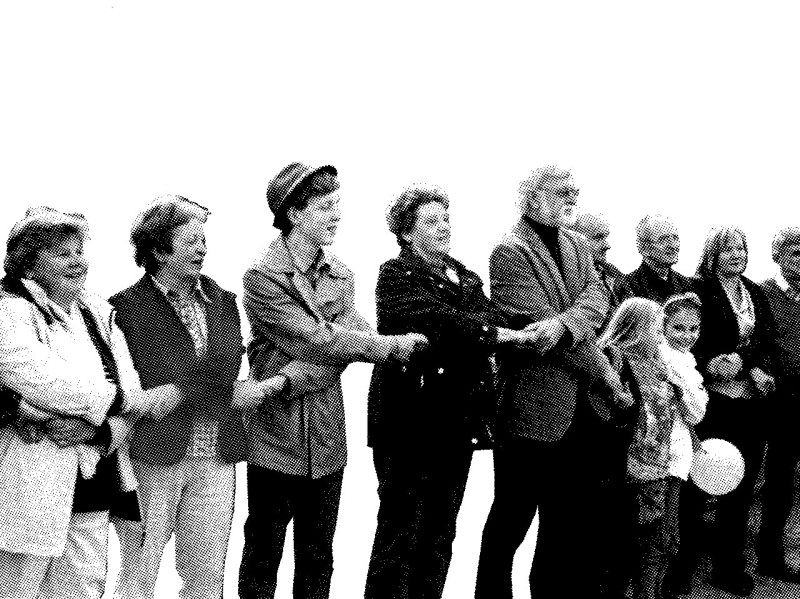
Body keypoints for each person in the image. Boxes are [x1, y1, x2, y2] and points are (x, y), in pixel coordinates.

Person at [239, 162, 427, 599]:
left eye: (337, 205)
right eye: (325, 207)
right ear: (294, 213)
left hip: (326, 440)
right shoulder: (261, 276)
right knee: (264, 554)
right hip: (274, 439)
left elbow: (352, 338)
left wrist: (289, 377)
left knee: (318, 556)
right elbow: (320, 341)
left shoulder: (340, 273)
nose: (336, 216)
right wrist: (390, 347)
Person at [364, 185, 536, 599]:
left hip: (458, 421)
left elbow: (485, 318)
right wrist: (492, 333)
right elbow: (441, 322)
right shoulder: (395, 274)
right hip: (409, 421)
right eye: (431, 221)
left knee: (440, 531)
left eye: (445, 219)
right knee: (400, 531)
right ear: (407, 232)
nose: (443, 227)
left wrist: (490, 329)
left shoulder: (466, 276)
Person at [110, 196, 284, 599]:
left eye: (203, 240)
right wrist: (219, 388)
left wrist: (187, 387)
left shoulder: (223, 300)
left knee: (206, 577)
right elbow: (152, 376)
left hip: (217, 453)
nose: (202, 250)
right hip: (153, 454)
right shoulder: (123, 308)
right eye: (191, 241)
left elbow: (221, 368)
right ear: (159, 250)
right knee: (139, 572)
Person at [0, 207, 177, 599]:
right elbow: (40, 378)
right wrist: (122, 401)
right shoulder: (8, 308)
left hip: (93, 475)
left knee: (82, 588)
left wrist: (101, 428)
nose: (77, 262)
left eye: (80, 252)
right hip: (32, 474)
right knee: (17, 588)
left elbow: (129, 383)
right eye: (63, 254)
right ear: (29, 262)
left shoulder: (97, 311)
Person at [474, 165, 628, 599]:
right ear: (533, 196)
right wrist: (602, 369)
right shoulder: (509, 249)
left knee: (564, 523)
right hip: (533, 410)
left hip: (579, 412)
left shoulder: (577, 243)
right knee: (511, 520)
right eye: (563, 192)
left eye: (574, 192)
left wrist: (562, 323)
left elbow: (597, 302)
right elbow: (537, 334)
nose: (572, 199)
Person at [669, 226, 777, 597]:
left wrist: (747, 363)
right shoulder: (698, 291)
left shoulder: (755, 292)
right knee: (698, 487)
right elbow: (684, 338)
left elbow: (767, 337)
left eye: (741, 248)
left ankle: (728, 567)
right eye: (728, 248)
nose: (736, 255)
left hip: (751, 404)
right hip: (713, 404)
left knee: (741, 486)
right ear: (712, 253)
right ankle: (681, 566)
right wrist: (710, 361)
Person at [600, 295, 708, 599]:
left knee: (657, 541)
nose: (662, 339)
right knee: (625, 547)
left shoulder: (661, 367)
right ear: (634, 330)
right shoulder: (615, 361)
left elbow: (691, 412)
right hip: (628, 470)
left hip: (657, 468)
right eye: (657, 330)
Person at [755, 226, 800, 583]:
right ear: (778, 256)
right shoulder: (761, 294)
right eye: (797, 252)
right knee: (777, 483)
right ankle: (767, 556)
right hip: (776, 403)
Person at [616, 215, 694, 303]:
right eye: (663, 240)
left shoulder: (685, 284)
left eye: (675, 238)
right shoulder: (627, 286)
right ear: (644, 248)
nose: (673, 246)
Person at [572, 212, 623, 318]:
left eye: (605, 237)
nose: (607, 245)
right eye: (598, 238)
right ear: (573, 240)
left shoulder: (612, 272)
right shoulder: (567, 278)